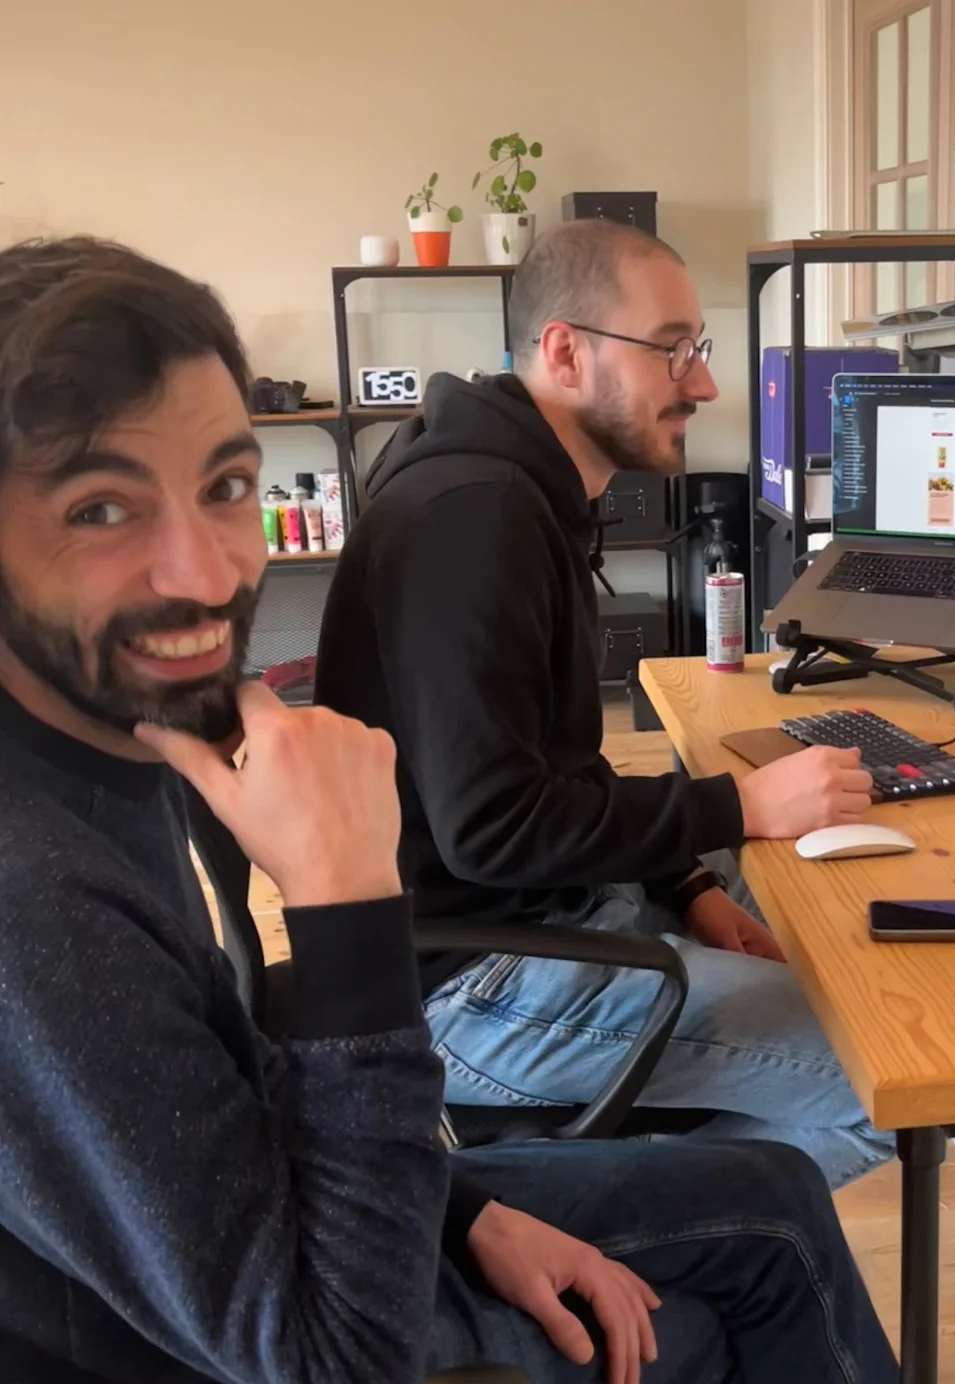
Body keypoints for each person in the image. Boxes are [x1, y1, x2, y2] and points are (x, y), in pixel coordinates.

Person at [0, 236, 900, 1383]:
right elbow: (330, 1354)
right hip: (433, 1049)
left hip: (329, 1179)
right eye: (99, 508)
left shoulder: (101, 760)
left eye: (225, 486)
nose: (208, 571)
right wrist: (344, 904)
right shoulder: (34, 897)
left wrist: (463, 1203)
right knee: (870, 1080)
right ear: (565, 351)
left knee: (769, 1199)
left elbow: (212, 1075)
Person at [313, 220, 894, 1191]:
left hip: (535, 913)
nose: (704, 384)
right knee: (894, 1073)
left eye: (698, 348)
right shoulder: (476, 519)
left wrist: (689, 880)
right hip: (471, 984)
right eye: (672, 350)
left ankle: (647, 1192)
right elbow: (495, 828)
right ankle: (597, 1221)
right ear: (565, 352)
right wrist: (741, 807)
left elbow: (557, 767)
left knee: (821, 908)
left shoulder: (517, 491)